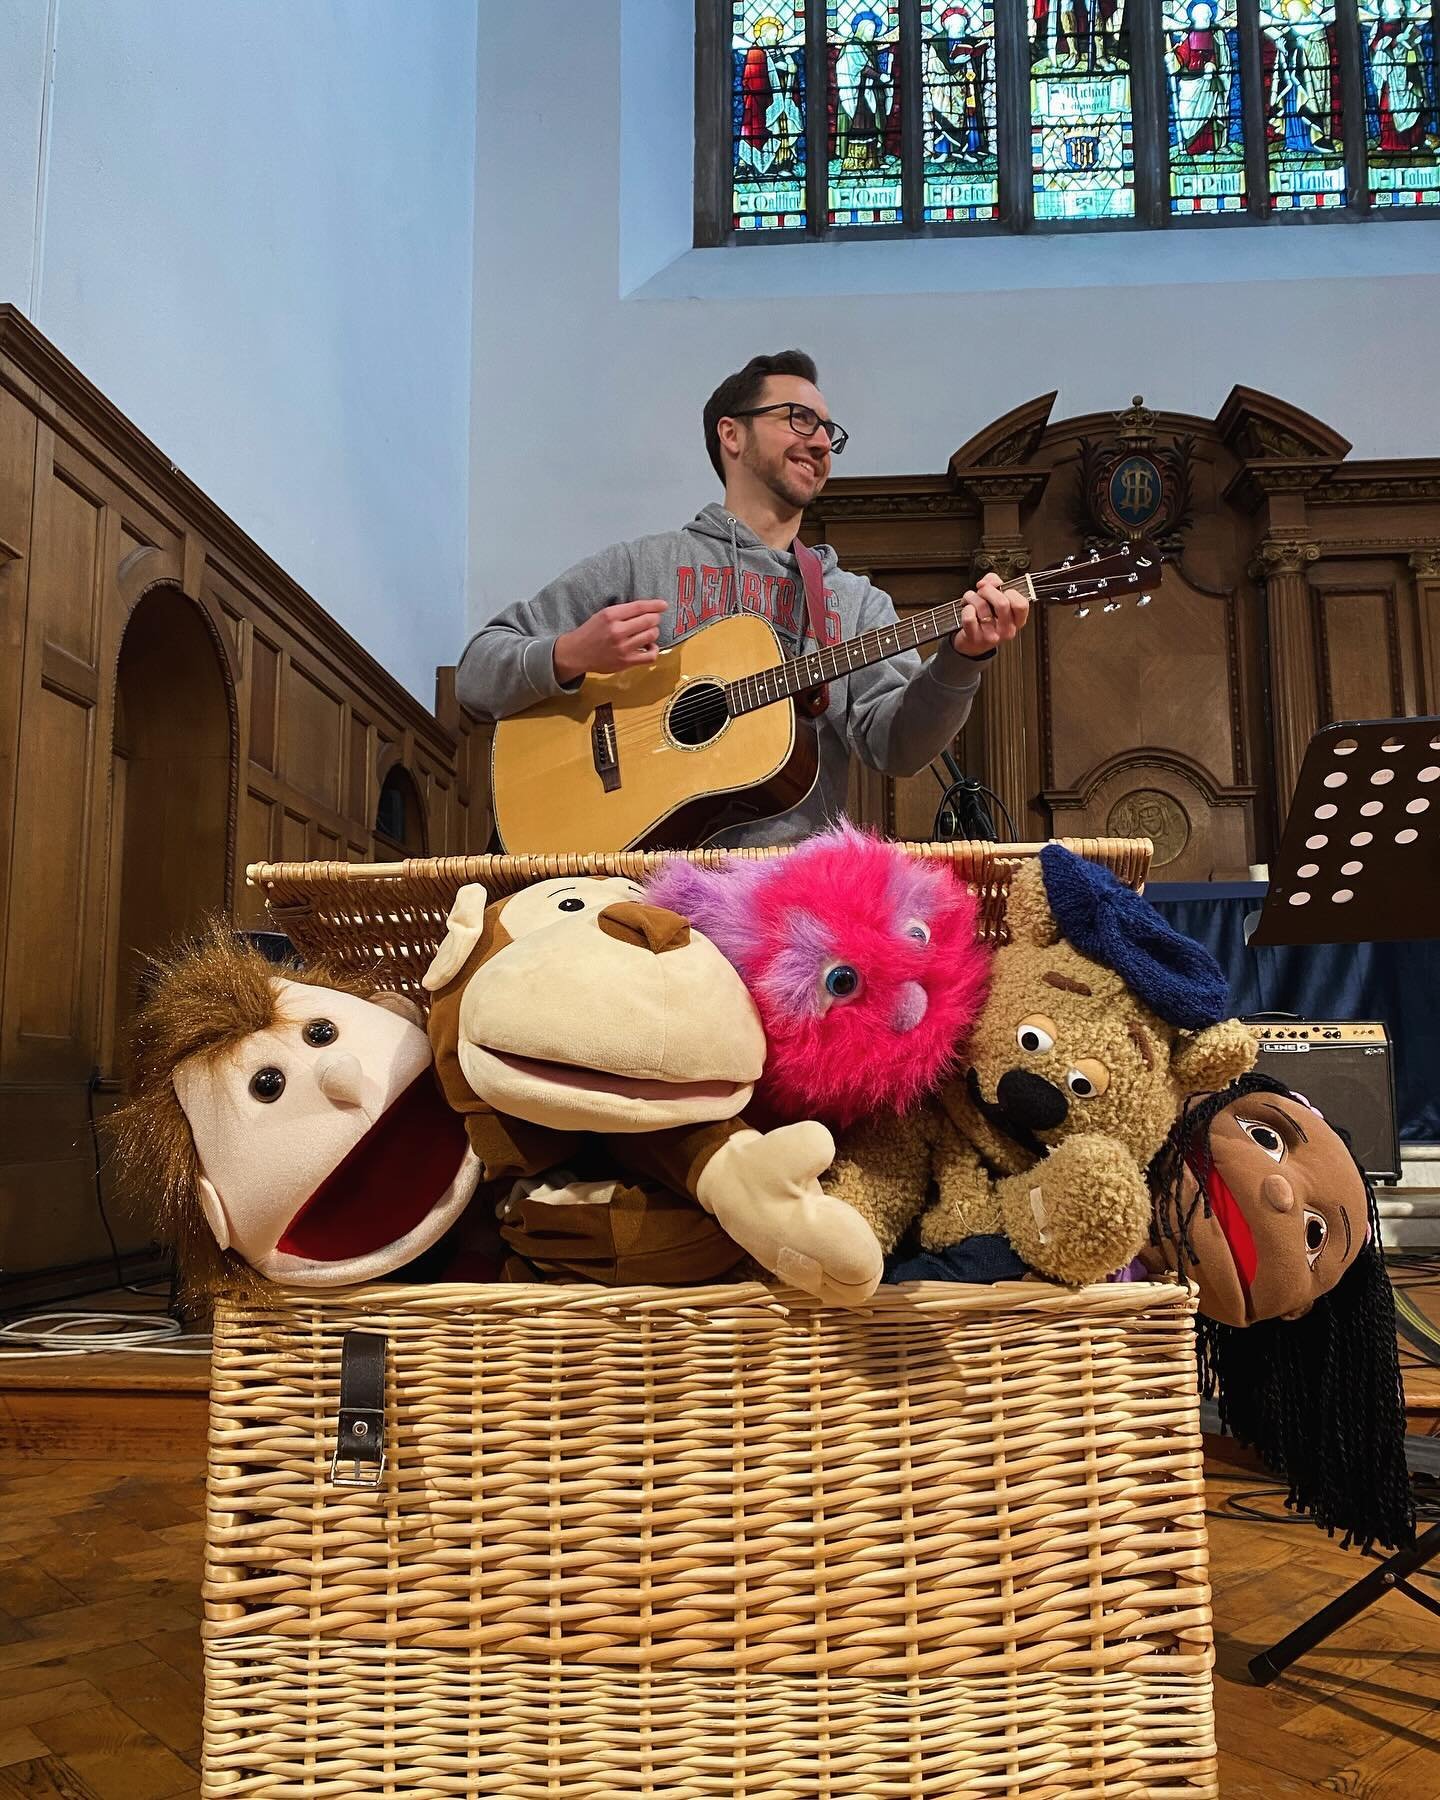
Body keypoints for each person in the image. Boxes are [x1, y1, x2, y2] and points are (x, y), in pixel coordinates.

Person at [456, 349, 1028, 848]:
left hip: (785, 905)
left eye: (830, 431)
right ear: (732, 434)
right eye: (799, 419)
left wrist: (962, 660)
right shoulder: (642, 565)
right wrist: (570, 655)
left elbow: (898, 749)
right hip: (636, 894)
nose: (822, 441)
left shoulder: (854, 604)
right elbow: (477, 673)